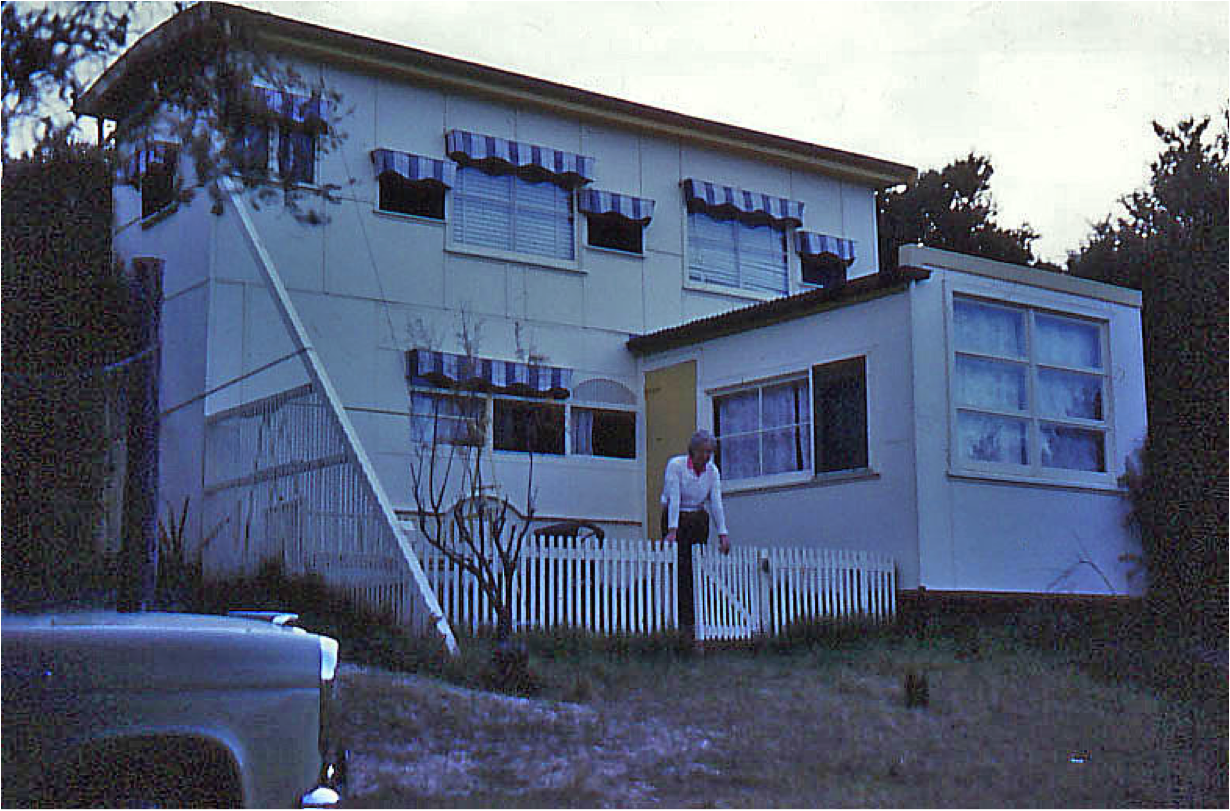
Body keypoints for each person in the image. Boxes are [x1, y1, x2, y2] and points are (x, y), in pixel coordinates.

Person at [660, 429, 731, 642]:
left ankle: (694, 618)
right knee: (679, 567)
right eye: (702, 451)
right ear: (693, 451)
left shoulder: (712, 472)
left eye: (710, 452)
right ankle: (678, 618)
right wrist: (672, 531)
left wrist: (723, 533)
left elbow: (716, 502)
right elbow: (674, 497)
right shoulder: (676, 466)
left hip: (697, 517)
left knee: (695, 567)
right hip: (676, 515)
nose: (706, 456)